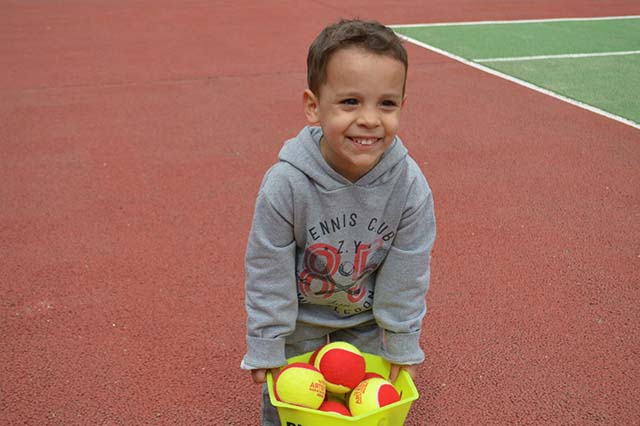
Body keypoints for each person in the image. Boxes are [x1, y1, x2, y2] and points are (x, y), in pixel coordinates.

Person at [240, 18, 436, 425]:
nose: (369, 119)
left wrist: (402, 344)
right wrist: (267, 341)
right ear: (314, 105)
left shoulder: (409, 186)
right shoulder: (286, 184)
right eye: (350, 102)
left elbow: (408, 271)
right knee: (290, 408)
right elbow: (267, 268)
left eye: (386, 103)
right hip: (299, 319)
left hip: (364, 319)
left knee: (363, 411)